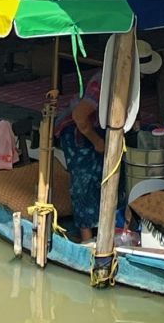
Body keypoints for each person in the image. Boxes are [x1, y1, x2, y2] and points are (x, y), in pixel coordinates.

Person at [55, 71, 107, 241]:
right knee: (83, 179)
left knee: (107, 175)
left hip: (100, 125)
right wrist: (97, 141)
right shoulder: (100, 83)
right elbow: (79, 116)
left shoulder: (132, 83)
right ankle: (86, 238)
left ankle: (105, 228)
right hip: (75, 128)